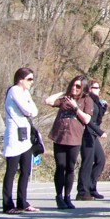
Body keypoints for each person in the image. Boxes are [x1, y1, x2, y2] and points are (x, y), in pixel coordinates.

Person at [46, 75, 92, 209]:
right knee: (60, 166)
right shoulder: (65, 99)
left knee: (70, 167)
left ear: (83, 87)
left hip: (74, 136)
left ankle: (67, 196)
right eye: (73, 85)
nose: (74, 88)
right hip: (60, 135)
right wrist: (63, 92)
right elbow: (48, 101)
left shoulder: (86, 100)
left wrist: (75, 107)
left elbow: (87, 119)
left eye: (78, 86)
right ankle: (59, 196)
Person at [1, 68, 39, 214]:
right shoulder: (14, 90)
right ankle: (7, 204)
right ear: (20, 79)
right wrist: (29, 110)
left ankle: (22, 202)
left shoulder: (26, 93)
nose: (31, 82)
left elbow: (34, 111)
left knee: (26, 170)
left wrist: (29, 110)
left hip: (25, 135)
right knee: (11, 171)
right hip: (14, 135)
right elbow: (26, 110)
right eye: (29, 79)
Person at [76, 79, 108, 201]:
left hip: (93, 133)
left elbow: (96, 118)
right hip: (86, 132)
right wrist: (100, 132)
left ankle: (91, 187)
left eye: (99, 87)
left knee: (100, 160)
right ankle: (83, 191)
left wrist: (103, 109)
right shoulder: (87, 100)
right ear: (89, 89)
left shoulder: (96, 101)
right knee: (87, 161)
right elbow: (87, 119)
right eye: (95, 88)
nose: (98, 90)